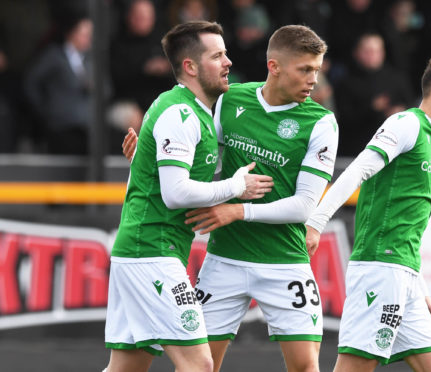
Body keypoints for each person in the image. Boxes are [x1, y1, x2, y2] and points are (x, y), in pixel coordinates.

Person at [103, 21, 273, 372]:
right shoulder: (181, 113)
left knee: (126, 367)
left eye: (225, 53)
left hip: (143, 252)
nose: (228, 62)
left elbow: (163, 180)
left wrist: (142, 162)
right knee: (198, 364)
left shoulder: (186, 109)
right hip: (152, 252)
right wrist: (236, 188)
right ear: (190, 67)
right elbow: (176, 193)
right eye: (217, 55)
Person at [180, 25, 339, 372]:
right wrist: (147, 159)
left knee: (305, 368)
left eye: (317, 69)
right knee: (197, 366)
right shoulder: (230, 100)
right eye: (305, 69)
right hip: (225, 259)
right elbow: (198, 162)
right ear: (274, 66)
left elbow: (303, 206)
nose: (314, 79)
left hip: (284, 262)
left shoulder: (321, 122)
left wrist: (238, 210)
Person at [305, 53, 431, 371]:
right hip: (380, 271)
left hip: (403, 275)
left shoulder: (430, 139)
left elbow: (405, 226)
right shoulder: (406, 124)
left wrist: (419, 285)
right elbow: (356, 171)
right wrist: (315, 223)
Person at [23, 14, 94, 154]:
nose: (88, 39)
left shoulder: (91, 60)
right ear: (71, 33)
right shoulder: (54, 55)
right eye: (84, 34)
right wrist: (45, 110)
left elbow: (106, 88)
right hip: (61, 126)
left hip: (88, 126)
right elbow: (31, 81)